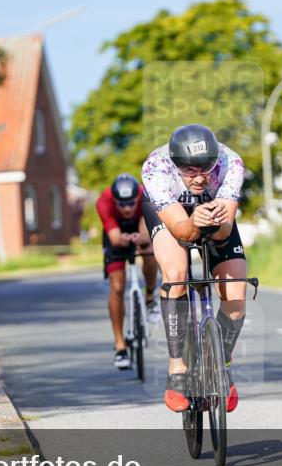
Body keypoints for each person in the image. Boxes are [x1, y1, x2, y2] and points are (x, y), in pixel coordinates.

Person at [141, 124, 247, 412]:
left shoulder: (230, 163)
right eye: (189, 170)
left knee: (236, 293)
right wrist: (194, 222)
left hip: (213, 213)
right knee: (175, 274)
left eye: (206, 168)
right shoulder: (156, 168)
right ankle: (177, 369)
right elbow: (183, 233)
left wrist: (212, 220)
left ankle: (222, 363)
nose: (200, 177)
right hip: (171, 215)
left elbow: (224, 233)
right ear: (176, 164)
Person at [96, 173, 159, 370]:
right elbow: (115, 238)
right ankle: (120, 345)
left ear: (137, 198)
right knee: (117, 286)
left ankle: (149, 297)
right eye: (122, 204)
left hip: (140, 226)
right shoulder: (104, 201)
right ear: (115, 200)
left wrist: (140, 239)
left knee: (151, 254)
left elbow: (145, 234)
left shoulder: (145, 195)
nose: (127, 208)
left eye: (131, 203)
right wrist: (125, 240)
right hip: (115, 234)